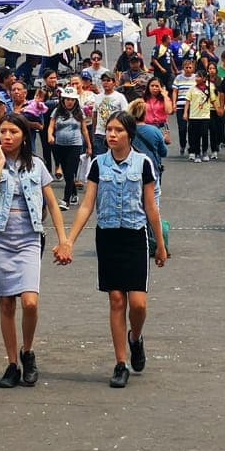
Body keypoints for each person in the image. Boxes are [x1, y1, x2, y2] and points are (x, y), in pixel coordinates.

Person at [66, 112, 168, 388]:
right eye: (109, 130)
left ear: (129, 135)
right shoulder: (98, 165)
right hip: (108, 237)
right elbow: (87, 205)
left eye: (117, 130)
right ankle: (120, 362)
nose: (111, 135)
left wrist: (160, 244)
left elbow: (151, 207)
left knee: (138, 303)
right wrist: (69, 240)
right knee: (116, 300)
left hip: (135, 236)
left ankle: (135, 338)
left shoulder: (144, 164)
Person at [0, 114, 72, 388]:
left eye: (13, 132)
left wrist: (63, 239)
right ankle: (11, 364)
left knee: (30, 301)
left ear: (24, 136)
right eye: (3, 132)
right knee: (7, 303)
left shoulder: (37, 166)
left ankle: (27, 351)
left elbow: (53, 204)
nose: (7, 137)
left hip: (29, 238)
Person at [48, 86, 92, 209]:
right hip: (60, 145)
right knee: (68, 172)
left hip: (75, 145)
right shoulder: (57, 111)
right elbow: (51, 126)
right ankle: (74, 194)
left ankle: (65, 200)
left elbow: (84, 130)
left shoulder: (80, 112)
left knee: (69, 173)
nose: (69, 101)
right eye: (67, 99)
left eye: (72, 99)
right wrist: (50, 135)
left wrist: (89, 146)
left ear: (75, 101)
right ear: (63, 100)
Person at [93, 70, 130, 157]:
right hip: (100, 133)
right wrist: (93, 134)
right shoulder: (98, 97)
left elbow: (126, 115)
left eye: (108, 80)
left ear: (114, 83)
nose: (106, 83)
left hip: (114, 133)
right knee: (99, 158)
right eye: (104, 80)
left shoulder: (120, 97)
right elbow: (94, 116)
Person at [183, 67, 216, 162]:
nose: (196, 78)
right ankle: (197, 154)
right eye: (196, 76)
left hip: (205, 116)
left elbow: (213, 100)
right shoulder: (192, 89)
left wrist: (218, 109)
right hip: (194, 116)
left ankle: (204, 152)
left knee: (205, 134)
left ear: (204, 78)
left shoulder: (209, 89)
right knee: (195, 136)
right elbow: (188, 101)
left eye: (199, 76)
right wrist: (185, 113)